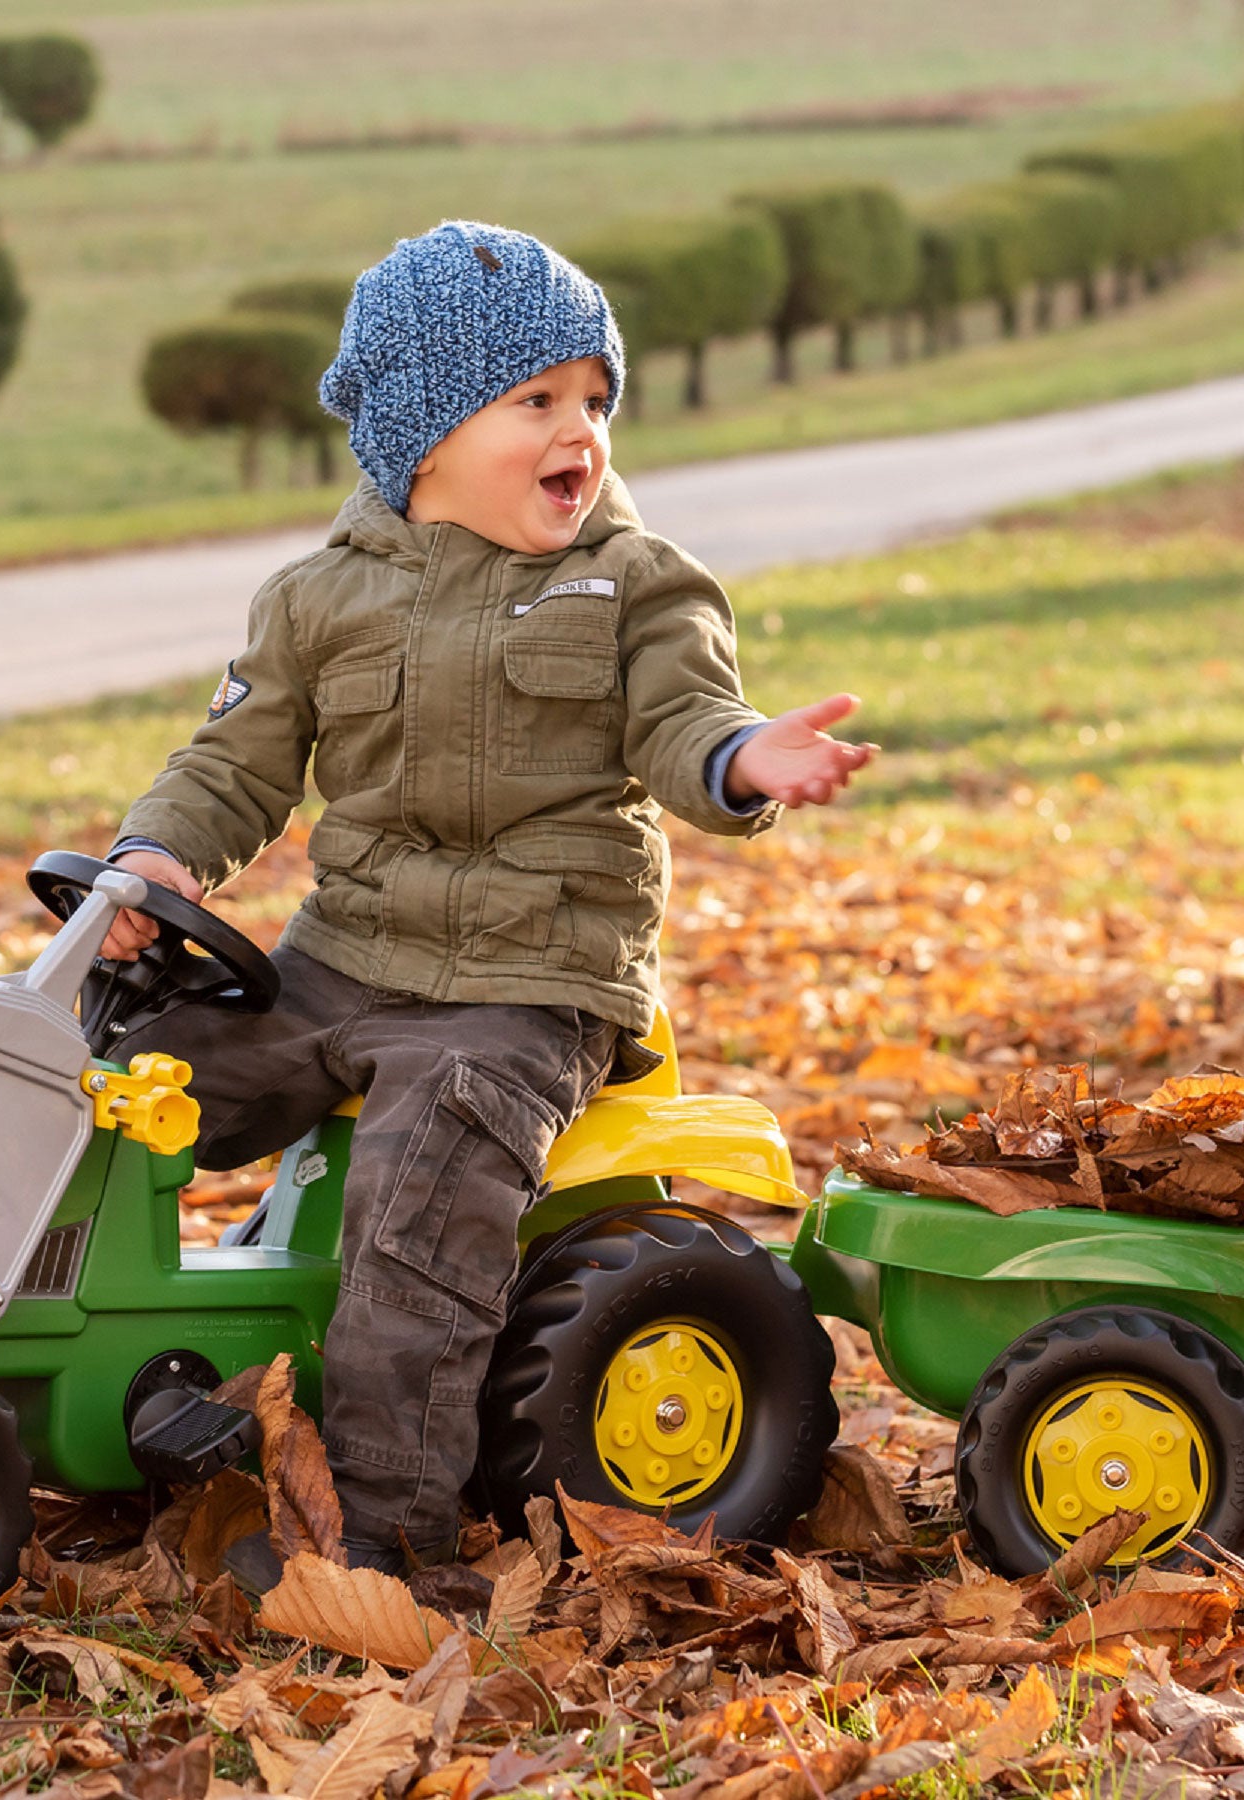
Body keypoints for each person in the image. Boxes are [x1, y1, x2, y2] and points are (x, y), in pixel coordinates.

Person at [99, 221, 873, 1585]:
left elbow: (690, 713)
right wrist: (155, 858)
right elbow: (233, 763)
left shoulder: (632, 585)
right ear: (426, 435)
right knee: (122, 1078)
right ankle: (60, 1359)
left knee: (418, 1215)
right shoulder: (317, 600)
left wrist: (747, 758)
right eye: (538, 400)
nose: (581, 429)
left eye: (595, 399)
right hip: (344, 961)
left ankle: (387, 1538)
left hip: (529, 983)